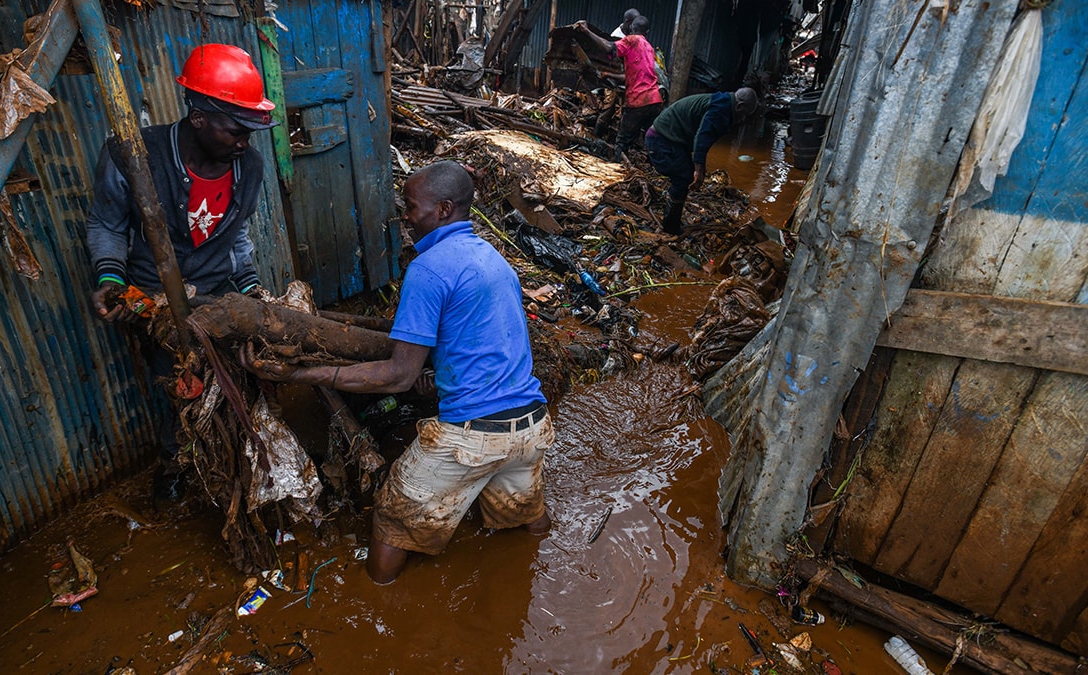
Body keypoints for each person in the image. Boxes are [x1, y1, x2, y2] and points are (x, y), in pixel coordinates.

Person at [240, 161, 553, 584]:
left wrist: (301, 375)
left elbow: (398, 376)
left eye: (410, 206)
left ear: (443, 209)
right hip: (532, 428)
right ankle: (545, 577)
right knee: (527, 518)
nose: (405, 216)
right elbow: (487, 345)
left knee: (392, 521)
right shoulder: (492, 258)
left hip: (473, 438)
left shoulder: (428, 268)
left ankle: (378, 596)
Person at [87, 43, 278, 499]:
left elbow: (237, 235)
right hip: (155, 298)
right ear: (199, 118)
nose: (244, 142)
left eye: (251, 132)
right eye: (236, 131)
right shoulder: (135, 155)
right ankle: (175, 467)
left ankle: (243, 465)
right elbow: (107, 223)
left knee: (243, 377)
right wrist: (110, 279)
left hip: (218, 294)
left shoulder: (248, 165)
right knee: (181, 385)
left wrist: (251, 286)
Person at [645, 88, 759, 235]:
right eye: (744, 114)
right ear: (739, 106)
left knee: (685, 176)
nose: (743, 119)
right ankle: (670, 227)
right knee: (683, 179)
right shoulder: (722, 108)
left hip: (669, 139)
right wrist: (699, 170)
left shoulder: (723, 101)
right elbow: (703, 136)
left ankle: (672, 217)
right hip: (661, 140)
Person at [574, 15, 663, 160]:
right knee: (652, 140)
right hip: (655, 100)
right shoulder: (648, 47)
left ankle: (618, 168)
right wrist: (609, 75)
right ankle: (656, 168)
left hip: (639, 100)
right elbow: (632, 76)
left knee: (622, 142)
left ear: (631, 27)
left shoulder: (632, 40)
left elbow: (609, 48)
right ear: (647, 32)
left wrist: (586, 31)